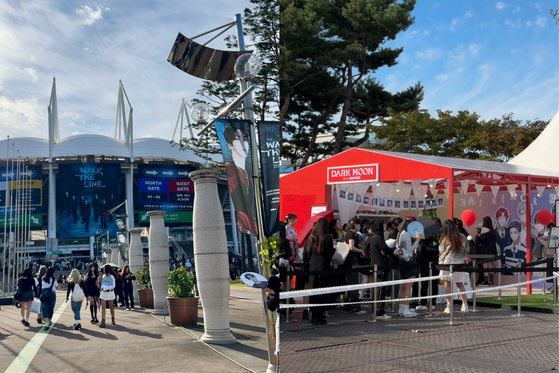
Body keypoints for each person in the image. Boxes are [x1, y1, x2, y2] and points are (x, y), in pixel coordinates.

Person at [223, 125, 258, 235]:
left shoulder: (249, 173)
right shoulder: (231, 169)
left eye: (245, 139)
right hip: (247, 224)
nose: (243, 143)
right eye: (238, 139)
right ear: (230, 145)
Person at [303, 217, 336, 325]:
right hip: (324, 266)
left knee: (313, 289)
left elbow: (306, 254)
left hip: (313, 266)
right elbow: (330, 252)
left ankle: (313, 315)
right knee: (322, 290)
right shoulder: (327, 237)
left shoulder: (310, 238)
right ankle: (321, 315)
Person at [439, 219, 470, 313]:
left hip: (448, 262)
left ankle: (449, 306)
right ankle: (465, 304)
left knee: (447, 283)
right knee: (460, 284)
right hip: (460, 262)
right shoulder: (462, 236)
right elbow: (467, 250)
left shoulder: (446, 238)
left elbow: (441, 250)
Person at [366, 219, 393, 320]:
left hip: (375, 266)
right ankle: (379, 312)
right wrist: (388, 251)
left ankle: (375, 311)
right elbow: (386, 250)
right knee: (380, 290)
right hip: (381, 266)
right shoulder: (379, 237)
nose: (385, 227)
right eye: (384, 225)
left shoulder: (373, 237)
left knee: (377, 290)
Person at [396, 216, 421, 317]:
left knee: (402, 286)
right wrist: (417, 240)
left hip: (401, 261)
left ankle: (401, 308)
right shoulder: (406, 234)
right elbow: (410, 250)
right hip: (409, 261)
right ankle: (406, 309)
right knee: (408, 287)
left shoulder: (400, 233)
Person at [341, 217, 366, 315]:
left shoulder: (349, 233)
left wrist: (358, 246)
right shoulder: (351, 233)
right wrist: (360, 251)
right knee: (354, 282)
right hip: (352, 261)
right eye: (359, 224)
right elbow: (351, 247)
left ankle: (348, 306)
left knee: (351, 283)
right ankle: (355, 306)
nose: (360, 226)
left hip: (349, 261)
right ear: (355, 224)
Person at [474, 216, 498, 285]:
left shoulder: (484, 229)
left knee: (485, 266)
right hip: (491, 251)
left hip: (485, 251)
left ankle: (486, 281)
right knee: (490, 266)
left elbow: (481, 239)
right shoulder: (492, 230)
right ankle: (491, 281)